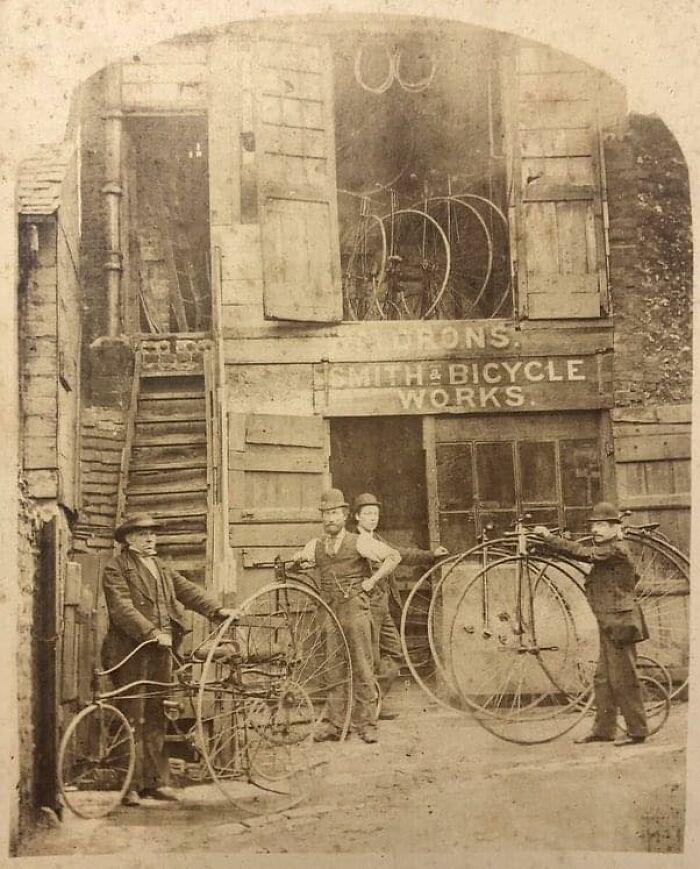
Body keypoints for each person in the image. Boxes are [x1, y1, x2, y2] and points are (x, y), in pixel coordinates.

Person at [101, 513, 237, 806]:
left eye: (152, 534)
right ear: (127, 539)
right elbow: (122, 609)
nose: (150, 539)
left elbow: (187, 591)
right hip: (130, 652)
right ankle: (130, 785)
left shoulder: (161, 567)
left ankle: (154, 782)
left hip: (161, 651)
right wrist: (151, 632)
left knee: (156, 713)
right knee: (132, 714)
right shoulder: (116, 569)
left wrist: (217, 610)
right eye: (142, 534)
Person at [532, 502, 649, 746]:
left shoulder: (615, 549)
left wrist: (550, 539)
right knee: (603, 679)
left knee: (624, 678)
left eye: (601, 525)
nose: (595, 530)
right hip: (610, 620)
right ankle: (604, 730)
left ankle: (638, 731)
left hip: (620, 622)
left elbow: (583, 554)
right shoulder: (612, 550)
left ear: (614, 527)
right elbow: (631, 577)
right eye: (593, 525)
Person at [292, 488, 401, 743]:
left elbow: (393, 556)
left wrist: (372, 581)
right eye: (326, 514)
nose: (330, 519)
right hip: (329, 610)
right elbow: (301, 560)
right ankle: (335, 724)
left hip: (355, 609)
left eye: (334, 514)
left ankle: (366, 723)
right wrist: (298, 561)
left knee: (362, 666)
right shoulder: (316, 545)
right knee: (332, 667)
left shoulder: (359, 542)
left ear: (344, 515)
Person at [351, 492, 448, 719]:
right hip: (366, 607)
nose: (372, 518)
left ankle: (374, 700)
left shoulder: (379, 540)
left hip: (382, 608)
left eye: (375, 513)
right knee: (370, 659)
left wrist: (431, 554)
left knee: (395, 653)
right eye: (367, 514)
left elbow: (402, 554)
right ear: (357, 517)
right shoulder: (354, 542)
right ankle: (368, 710)